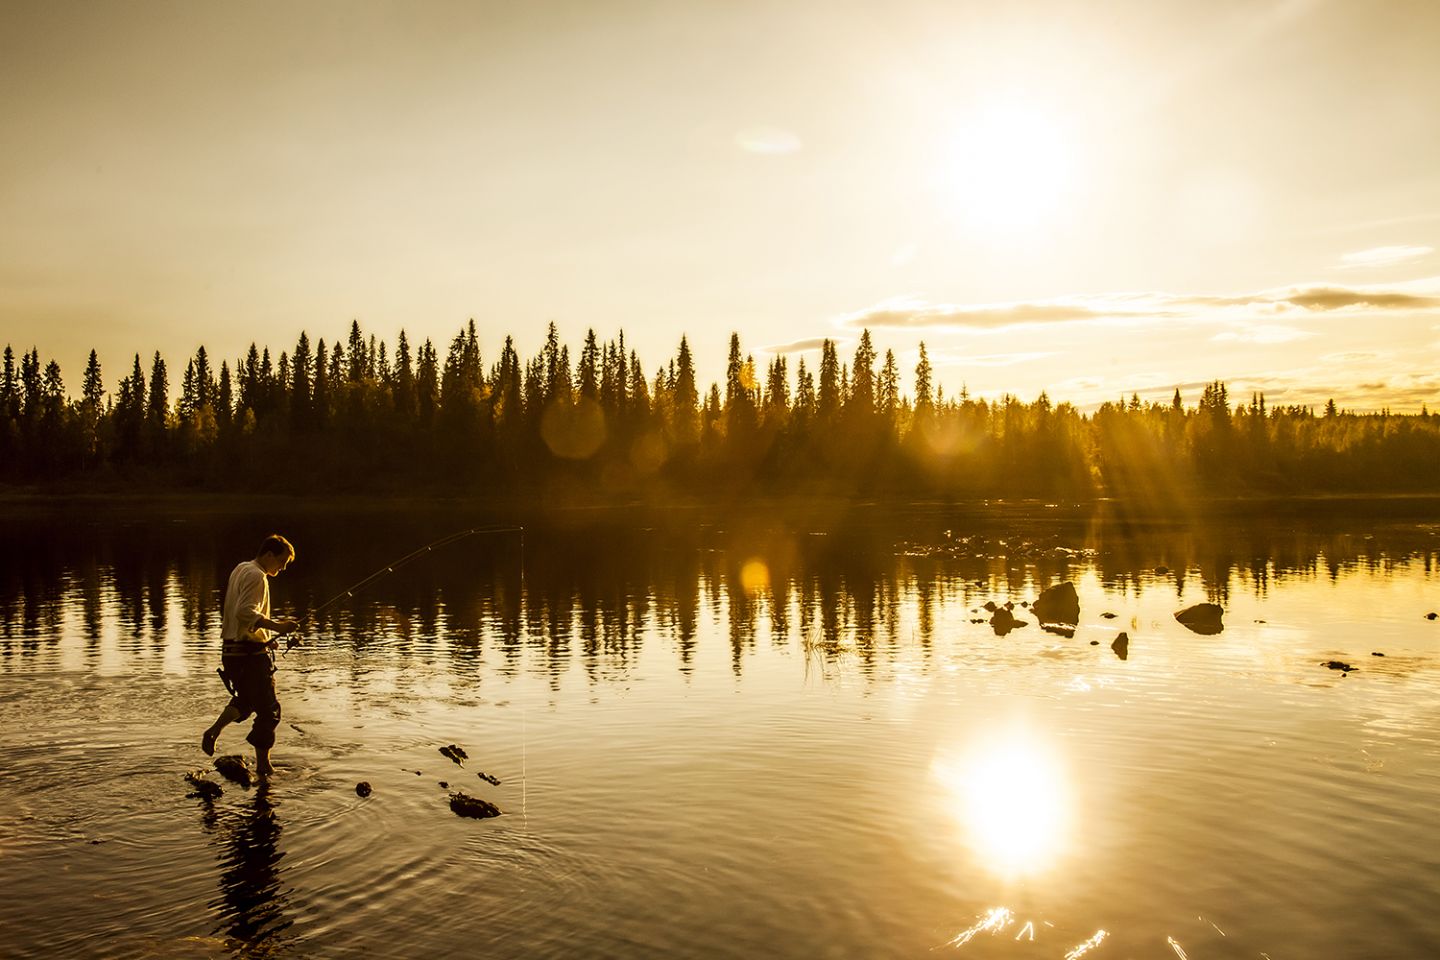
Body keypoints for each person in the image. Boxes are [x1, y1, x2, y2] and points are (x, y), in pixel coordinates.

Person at [202, 534, 299, 777]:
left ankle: (214, 730)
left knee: (246, 699)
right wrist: (279, 627)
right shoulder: (257, 576)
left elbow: (242, 615)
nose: (283, 567)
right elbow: (245, 612)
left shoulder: (241, 568)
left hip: (232, 651)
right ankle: (264, 766)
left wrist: (266, 638)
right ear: (269, 555)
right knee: (269, 710)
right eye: (282, 561)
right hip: (248, 655)